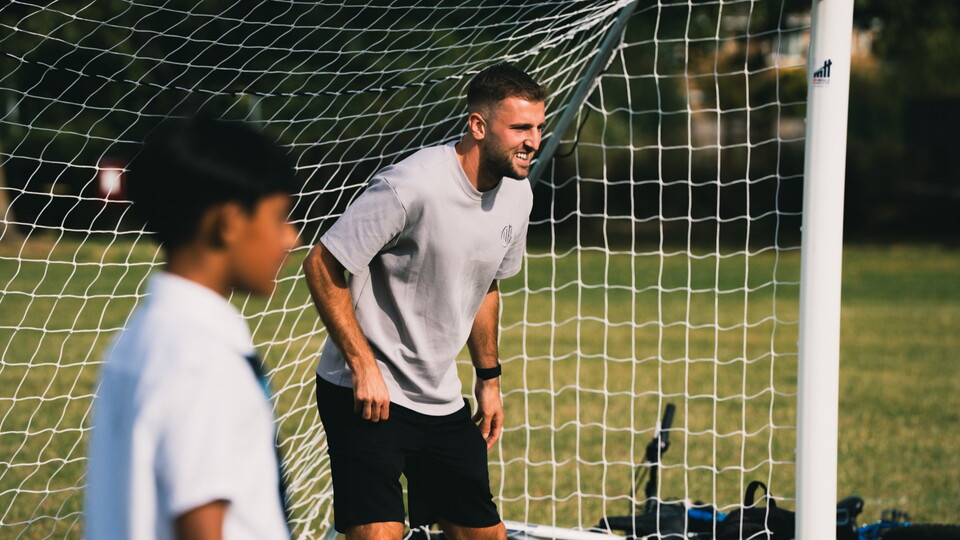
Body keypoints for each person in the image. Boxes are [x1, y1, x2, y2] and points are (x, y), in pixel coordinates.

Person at [303, 63, 547, 540]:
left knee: (485, 536)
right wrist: (362, 365)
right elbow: (322, 263)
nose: (534, 141)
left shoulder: (519, 195)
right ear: (478, 126)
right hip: (366, 395)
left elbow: (486, 287)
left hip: (438, 397)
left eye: (539, 127)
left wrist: (489, 379)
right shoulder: (410, 185)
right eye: (521, 127)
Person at [86, 116, 297, 540]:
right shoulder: (202, 359)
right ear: (230, 222)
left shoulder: (144, 334)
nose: (291, 238)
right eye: (280, 218)